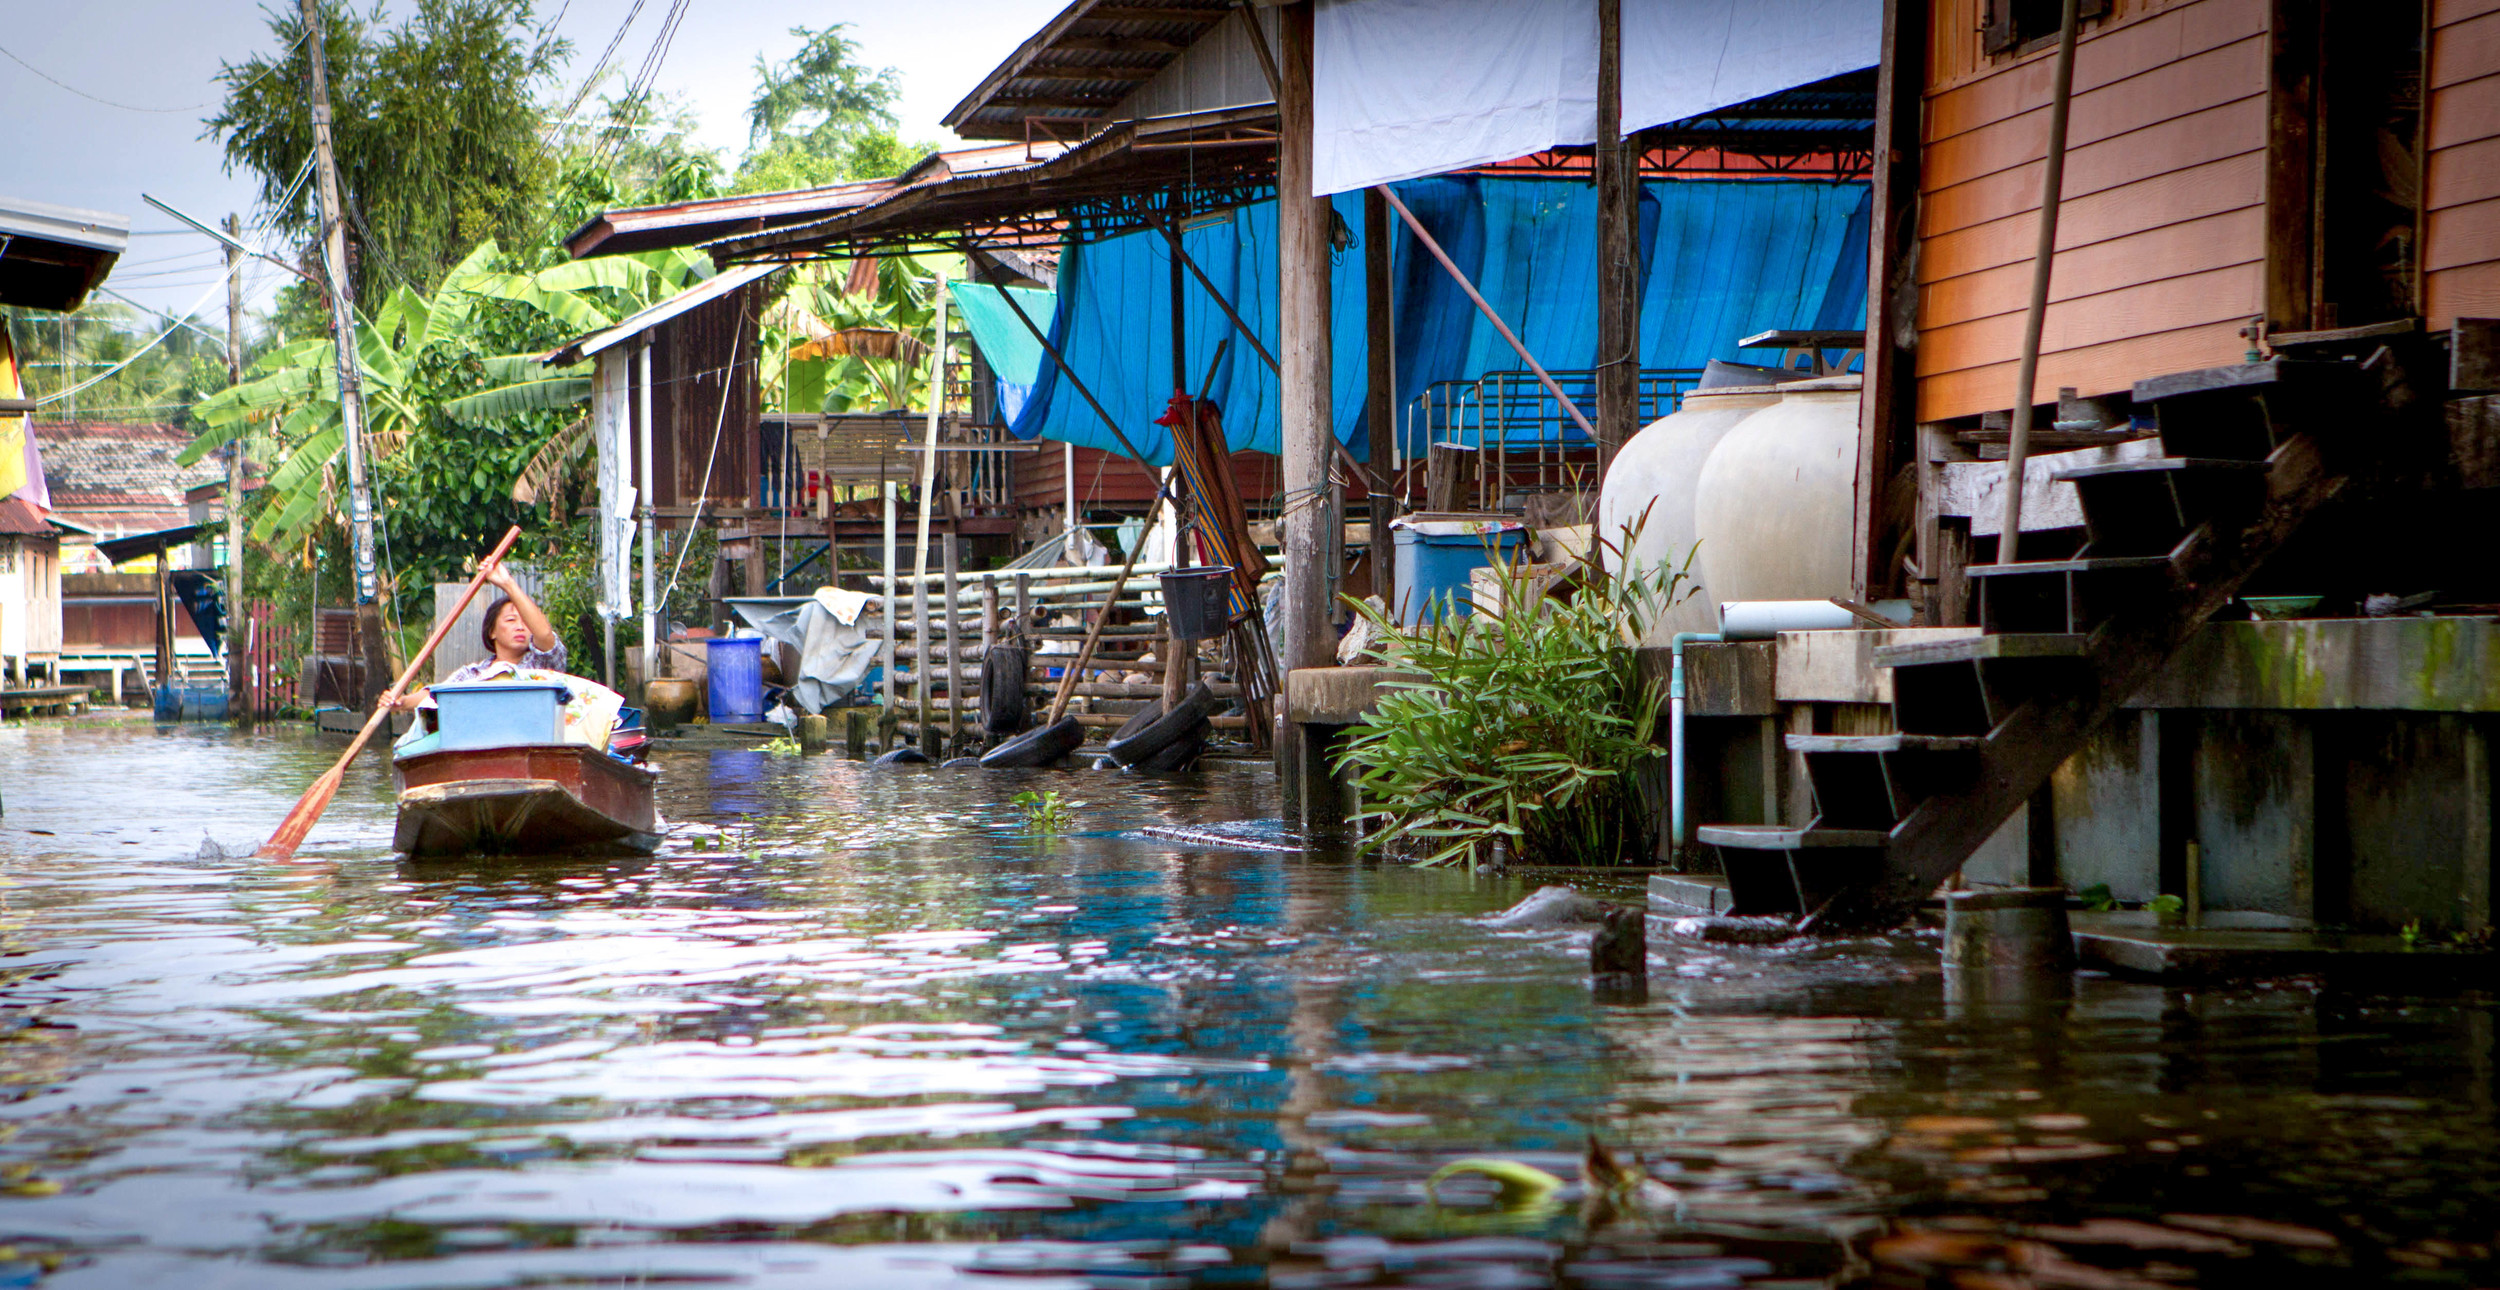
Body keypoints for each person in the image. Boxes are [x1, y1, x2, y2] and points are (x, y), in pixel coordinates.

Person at [393, 562, 565, 711]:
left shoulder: (540, 665)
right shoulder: (473, 674)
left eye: (526, 622)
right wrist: (402, 702)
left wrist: (508, 584)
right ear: (492, 631)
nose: (520, 627)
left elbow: (543, 634)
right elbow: (437, 695)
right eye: (511, 620)